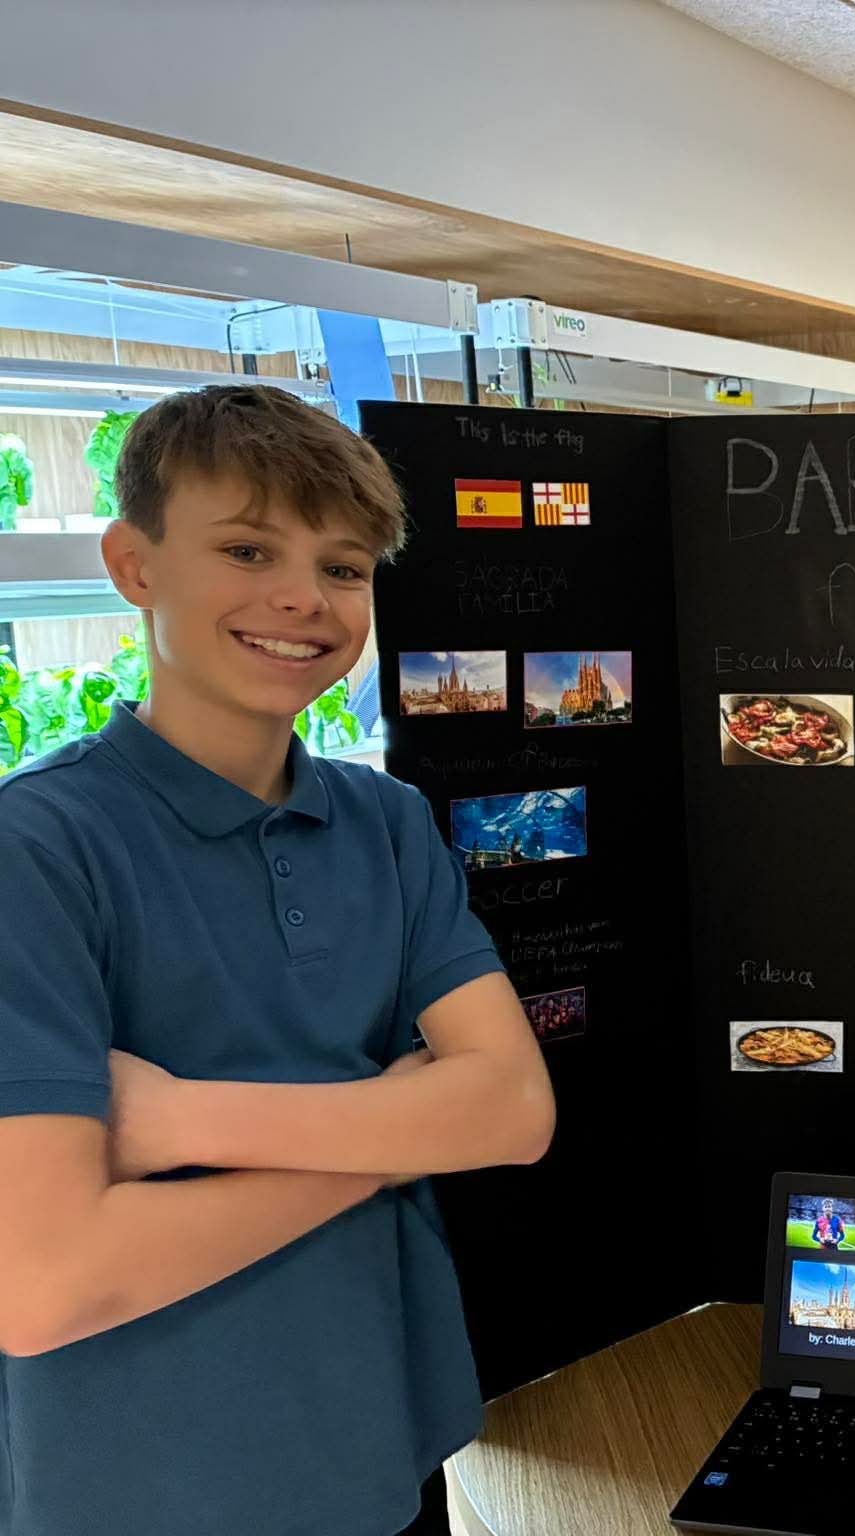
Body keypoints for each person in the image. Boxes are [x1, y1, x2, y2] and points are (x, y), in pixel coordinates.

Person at [0, 384, 557, 1536]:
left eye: (343, 567)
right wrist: (395, 1137)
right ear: (134, 564)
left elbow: (511, 1111)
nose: (303, 597)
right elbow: (44, 1285)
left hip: (383, 1444)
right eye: (248, 550)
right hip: (143, 1489)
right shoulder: (37, 849)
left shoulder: (385, 823)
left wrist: (181, 1120)